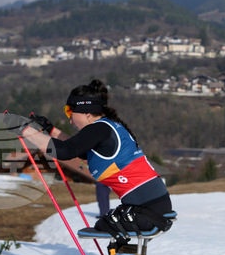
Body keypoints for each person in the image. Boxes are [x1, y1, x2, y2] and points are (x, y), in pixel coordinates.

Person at [17, 79, 174, 238]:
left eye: (70, 112)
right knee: (104, 224)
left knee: (103, 225)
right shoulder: (107, 126)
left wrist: (24, 129)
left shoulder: (98, 129)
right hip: (154, 207)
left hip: (147, 214)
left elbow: (65, 151)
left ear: (87, 112)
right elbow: (79, 149)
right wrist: (51, 130)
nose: (70, 120)